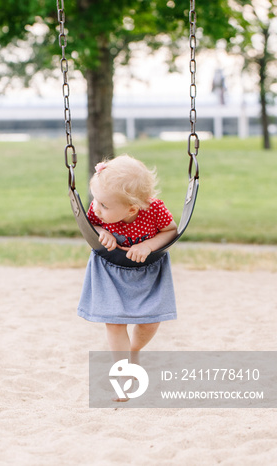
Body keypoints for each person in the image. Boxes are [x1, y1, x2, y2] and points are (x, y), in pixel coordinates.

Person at [77, 155, 178, 400]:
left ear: (132, 209)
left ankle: (134, 350)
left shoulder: (155, 209)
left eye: (104, 206)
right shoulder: (98, 208)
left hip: (147, 270)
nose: (97, 209)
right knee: (114, 322)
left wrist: (148, 246)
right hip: (110, 268)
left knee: (150, 322)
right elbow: (91, 223)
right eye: (96, 202)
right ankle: (123, 375)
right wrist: (102, 232)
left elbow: (171, 230)